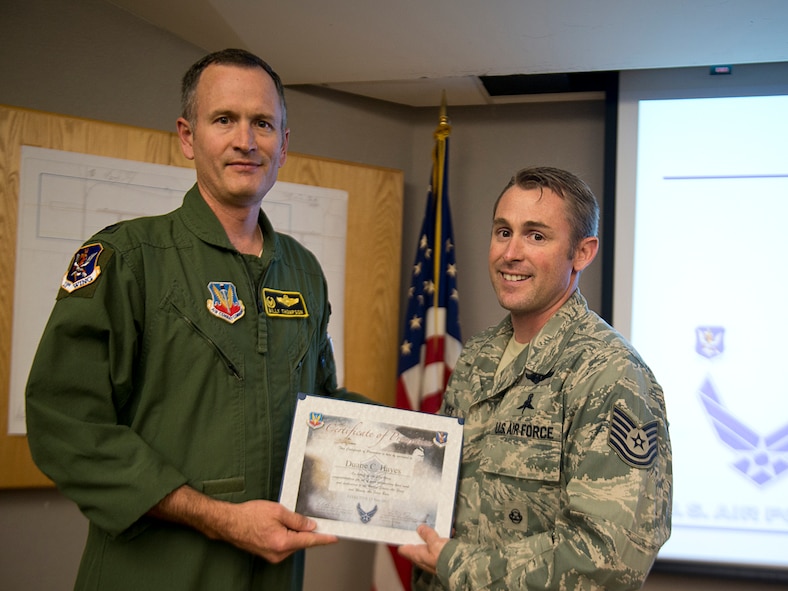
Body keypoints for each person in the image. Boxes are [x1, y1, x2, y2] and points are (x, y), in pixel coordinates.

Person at [25, 48, 367, 590]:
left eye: (263, 123)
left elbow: (320, 409)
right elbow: (66, 423)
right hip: (154, 576)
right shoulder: (130, 258)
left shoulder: (302, 270)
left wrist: (419, 447)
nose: (246, 141)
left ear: (283, 145)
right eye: (224, 119)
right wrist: (220, 518)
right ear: (188, 136)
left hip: (272, 577)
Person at [399, 166, 672, 590]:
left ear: (582, 253)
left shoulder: (611, 375)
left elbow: (609, 559)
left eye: (536, 235)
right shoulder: (477, 356)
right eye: (503, 231)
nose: (511, 253)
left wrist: (457, 564)